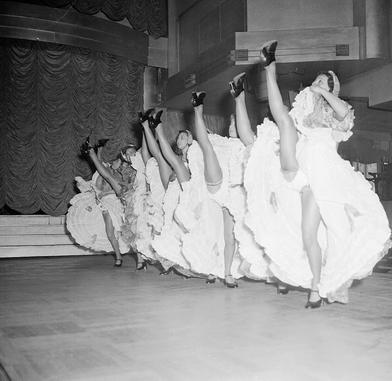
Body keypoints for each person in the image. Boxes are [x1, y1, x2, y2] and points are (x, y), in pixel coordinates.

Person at [245, 40, 391, 307]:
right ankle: (270, 66)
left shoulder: (337, 117)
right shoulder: (305, 112)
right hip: (302, 176)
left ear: (332, 88)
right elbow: (281, 113)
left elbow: (344, 111)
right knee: (285, 121)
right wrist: (310, 90)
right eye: (317, 80)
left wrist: (325, 91)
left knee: (328, 235)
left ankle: (321, 286)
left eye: (324, 81)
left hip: (327, 181)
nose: (317, 83)